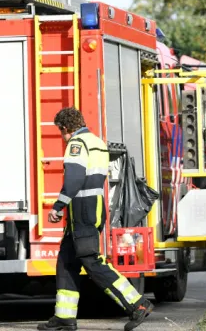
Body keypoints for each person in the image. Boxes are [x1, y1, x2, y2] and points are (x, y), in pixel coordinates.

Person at [38, 107, 153, 331]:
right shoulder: (97, 142)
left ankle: (137, 304)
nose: (63, 138)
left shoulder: (77, 144)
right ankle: (64, 318)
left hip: (82, 210)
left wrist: (58, 206)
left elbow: (74, 179)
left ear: (65, 128)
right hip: (93, 209)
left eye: (61, 133)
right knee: (66, 263)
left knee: (92, 262)